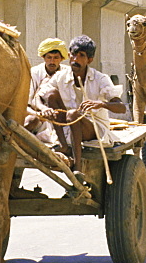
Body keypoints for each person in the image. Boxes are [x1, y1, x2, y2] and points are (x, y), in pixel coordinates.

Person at [39, 35, 127, 170]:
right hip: (67, 127)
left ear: (89, 60)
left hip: (94, 129)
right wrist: (43, 108)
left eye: (81, 56)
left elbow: (121, 108)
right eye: (73, 55)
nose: (75, 59)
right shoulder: (60, 77)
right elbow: (40, 96)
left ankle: (77, 165)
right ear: (69, 55)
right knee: (51, 95)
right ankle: (63, 146)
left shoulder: (100, 79)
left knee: (73, 114)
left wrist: (101, 104)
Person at [24, 38, 69, 149]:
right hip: (39, 118)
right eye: (49, 57)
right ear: (43, 57)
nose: (52, 62)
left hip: (61, 119)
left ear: (62, 59)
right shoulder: (34, 73)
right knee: (31, 121)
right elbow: (27, 104)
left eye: (56, 58)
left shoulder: (67, 73)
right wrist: (40, 113)